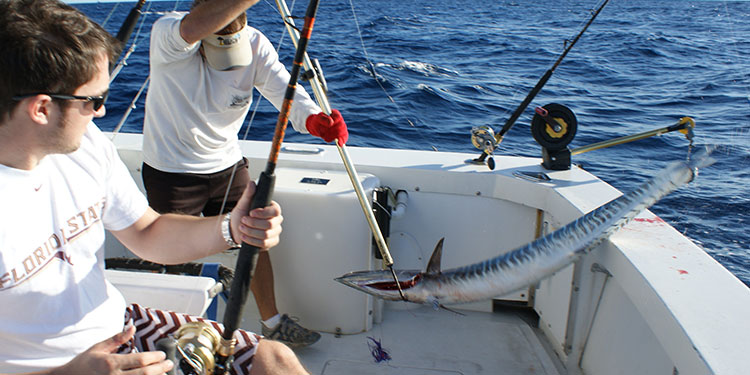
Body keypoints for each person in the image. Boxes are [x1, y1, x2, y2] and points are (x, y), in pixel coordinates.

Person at [0, 0, 309, 374]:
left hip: (120, 326)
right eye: (94, 100)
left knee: (274, 359)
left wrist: (232, 228)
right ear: (42, 109)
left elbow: (147, 232)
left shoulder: (89, 147)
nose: (100, 112)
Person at [141, 0, 348, 348]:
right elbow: (192, 27)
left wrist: (312, 119)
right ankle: (161, 330)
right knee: (168, 255)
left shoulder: (254, 43)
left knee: (253, 238)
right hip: (172, 172)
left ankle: (272, 321)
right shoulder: (169, 34)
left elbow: (286, 92)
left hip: (227, 165)